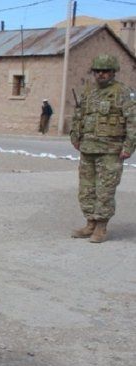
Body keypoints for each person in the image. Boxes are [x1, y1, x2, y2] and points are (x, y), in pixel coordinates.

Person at [69, 54, 135, 243]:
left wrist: (129, 146)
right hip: (88, 148)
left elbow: (133, 121)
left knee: (105, 190)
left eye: (105, 71)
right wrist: (75, 136)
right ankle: (90, 223)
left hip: (111, 150)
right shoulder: (89, 91)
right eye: (98, 71)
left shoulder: (123, 92)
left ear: (113, 72)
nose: (101, 74)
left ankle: (101, 227)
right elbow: (79, 115)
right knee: (86, 189)